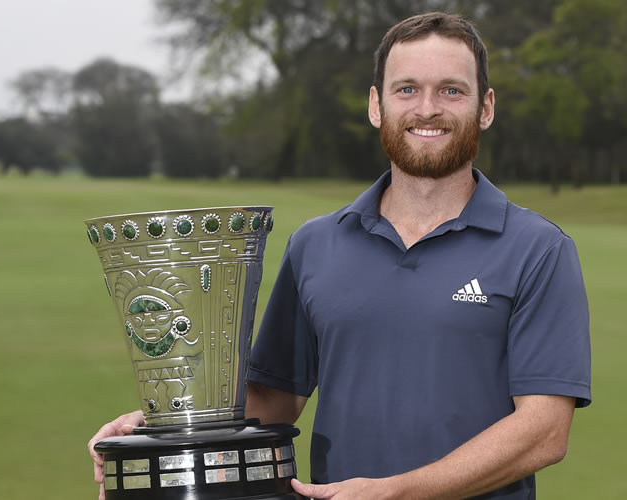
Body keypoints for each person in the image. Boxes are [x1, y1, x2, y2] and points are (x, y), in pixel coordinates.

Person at [89, 12, 591, 500]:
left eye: (452, 90)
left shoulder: (537, 248)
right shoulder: (316, 244)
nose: (428, 108)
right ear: (377, 105)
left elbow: (544, 431)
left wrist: (395, 492)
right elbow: (273, 400)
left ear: (485, 107)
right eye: (407, 89)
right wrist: (161, 430)